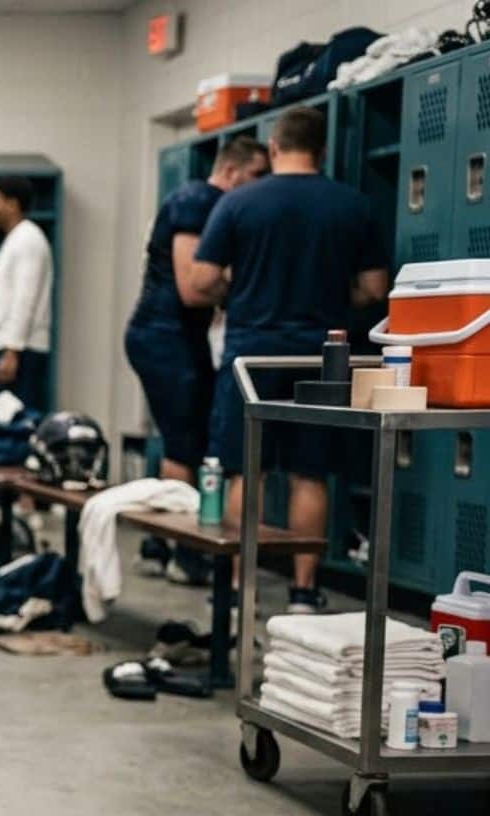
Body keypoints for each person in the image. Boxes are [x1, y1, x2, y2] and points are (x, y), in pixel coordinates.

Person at [189, 105, 389, 612]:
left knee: (245, 472)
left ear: (274, 147)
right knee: (309, 474)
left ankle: (239, 586)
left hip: (250, 356)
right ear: (321, 152)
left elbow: (201, 279)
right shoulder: (353, 205)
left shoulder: (238, 203)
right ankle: (303, 590)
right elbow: (375, 287)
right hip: (321, 357)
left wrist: (242, 290)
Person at [123, 135, 268, 582]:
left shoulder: (207, 204)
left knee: (185, 439)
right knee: (185, 444)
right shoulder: (198, 201)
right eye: (257, 176)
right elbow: (192, 287)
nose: (261, 186)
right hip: (163, 335)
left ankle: (162, 546)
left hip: (175, 338)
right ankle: (181, 552)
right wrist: (242, 293)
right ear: (231, 171)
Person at [0, 175, 53, 409]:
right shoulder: (15, 240)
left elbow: (25, 299)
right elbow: (6, 300)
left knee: (17, 424)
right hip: (5, 345)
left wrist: (12, 351)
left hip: (20, 351)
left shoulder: (28, 240)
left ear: (13, 205)